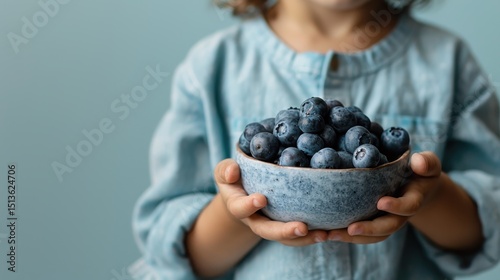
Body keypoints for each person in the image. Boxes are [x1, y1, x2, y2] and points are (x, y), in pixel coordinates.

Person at [132, 0, 500, 279]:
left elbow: (483, 230)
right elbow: (177, 256)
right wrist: (238, 217)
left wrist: (429, 197)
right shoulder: (211, 68)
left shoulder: (447, 62)